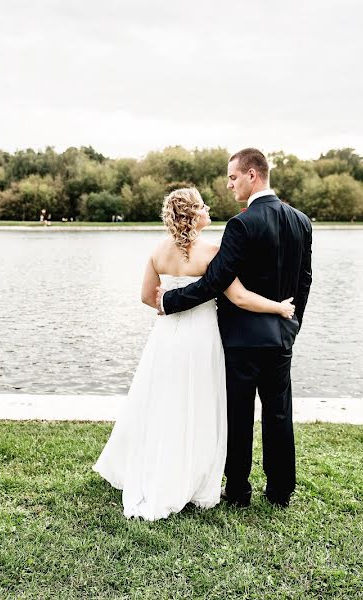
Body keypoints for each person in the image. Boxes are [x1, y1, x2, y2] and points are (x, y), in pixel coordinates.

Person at [93, 187, 295, 521]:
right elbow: (241, 298)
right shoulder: (212, 252)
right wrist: (278, 307)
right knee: (200, 402)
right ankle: (194, 476)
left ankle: (157, 467)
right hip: (202, 338)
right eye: (203, 205)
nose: (209, 208)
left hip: (167, 338)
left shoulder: (157, 253)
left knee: (162, 402)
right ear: (193, 214)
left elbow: (147, 298)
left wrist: (167, 302)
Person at [157, 148, 313, 508]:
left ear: (252, 175)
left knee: (238, 415)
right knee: (279, 412)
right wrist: (293, 324)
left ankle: (239, 491)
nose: (229, 185)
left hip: (241, 339)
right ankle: (280, 491)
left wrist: (170, 301)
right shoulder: (301, 221)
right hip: (280, 337)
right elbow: (304, 281)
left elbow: (215, 281)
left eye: (232, 177)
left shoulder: (241, 224)